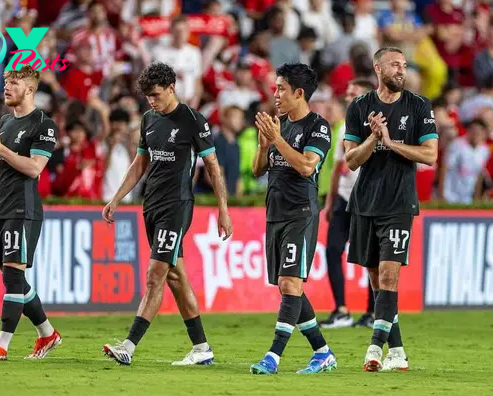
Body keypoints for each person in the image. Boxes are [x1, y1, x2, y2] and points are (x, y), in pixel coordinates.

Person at [102, 62, 233, 366]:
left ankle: (129, 346)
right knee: (175, 276)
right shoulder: (149, 119)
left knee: (154, 275)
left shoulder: (192, 120)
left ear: (172, 88)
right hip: (152, 206)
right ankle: (202, 348)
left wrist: (222, 210)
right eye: (148, 96)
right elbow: (140, 164)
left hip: (177, 206)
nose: (152, 101)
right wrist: (117, 199)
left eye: (156, 95)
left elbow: (213, 166)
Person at [344, 47, 438, 372]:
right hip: (365, 202)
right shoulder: (358, 106)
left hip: (399, 203)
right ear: (378, 68)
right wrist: (373, 138)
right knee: (376, 280)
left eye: (404, 65)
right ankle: (396, 350)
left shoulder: (418, 105)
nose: (401, 69)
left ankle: (374, 348)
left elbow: (430, 155)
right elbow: (351, 160)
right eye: (395, 64)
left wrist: (390, 140)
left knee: (388, 274)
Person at [0, 64, 61, 361]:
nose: (6, 87)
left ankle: (2, 344)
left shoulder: (43, 125)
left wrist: (2, 149)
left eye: (14, 83)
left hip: (24, 208)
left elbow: (34, 168)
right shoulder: (6, 122)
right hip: (2, 206)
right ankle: (47, 333)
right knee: (15, 279)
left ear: (30, 89)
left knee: (12, 277)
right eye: (6, 82)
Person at [250, 63, 337, 375]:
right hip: (275, 214)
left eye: (281, 89)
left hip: (301, 213)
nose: (275, 95)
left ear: (299, 93)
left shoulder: (318, 127)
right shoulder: (279, 125)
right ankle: (323, 351)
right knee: (290, 287)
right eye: (275, 88)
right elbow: (258, 171)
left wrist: (277, 140)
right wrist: (263, 146)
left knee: (289, 283)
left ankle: (273, 356)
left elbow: (306, 167)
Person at [320, 77, 376, 329]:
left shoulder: (379, 126)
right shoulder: (345, 127)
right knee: (332, 250)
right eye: (347, 93)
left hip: (368, 200)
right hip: (345, 196)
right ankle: (341, 310)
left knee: (370, 257)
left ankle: (373, 312)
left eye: (353, 94)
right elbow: (337, 169)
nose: (347, 98)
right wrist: (331, 203)